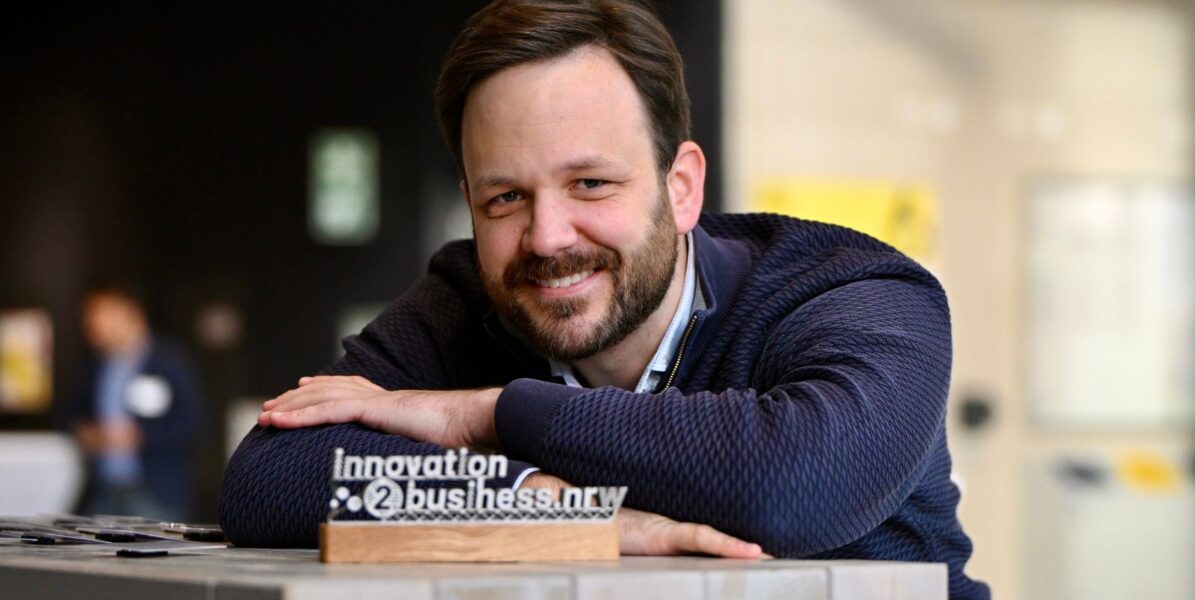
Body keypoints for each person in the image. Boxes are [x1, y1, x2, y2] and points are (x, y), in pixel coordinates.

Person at [220, 1, 988, 597]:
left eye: (591, 183)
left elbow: (794, 484)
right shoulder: (464, 299)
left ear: (681, 187)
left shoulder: (856, 294)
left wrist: (483, 414)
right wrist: (562, 511)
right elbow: (269, 478)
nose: (547, 237)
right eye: (505, 199)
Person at [66, 282, 202, 521]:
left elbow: (192, 421)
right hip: (102, 491)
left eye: (103, 311)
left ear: (132, 313)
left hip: (155, 493)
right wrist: (86, 434)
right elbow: (69, 415)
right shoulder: (92, 366)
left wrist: (140, 435)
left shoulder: (168, 360)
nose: (93, 321)